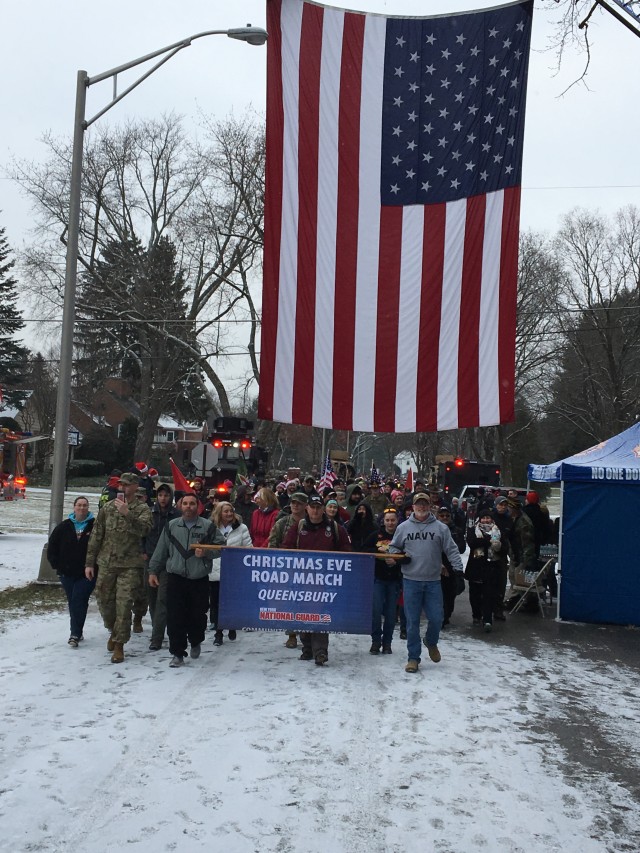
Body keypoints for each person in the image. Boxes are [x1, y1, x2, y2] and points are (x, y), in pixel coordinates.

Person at [389, 493, 464, 674]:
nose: (421, 507)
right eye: (418, 504)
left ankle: (431, 641)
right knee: (412, 622)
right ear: (413, 506)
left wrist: (458, 569)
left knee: (437, 618)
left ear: (430, 506)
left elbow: (452, 549)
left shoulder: (440, 528)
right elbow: (393, 547)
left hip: (433, 582)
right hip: (411, 581)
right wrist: (399, 558)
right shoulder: (403, 527)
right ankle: (413, 658)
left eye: (425, 504)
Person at [148, 493, 225, 667]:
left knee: (197, 616)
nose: (188, 507)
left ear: (197, 506)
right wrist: (153, 571)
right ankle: (177, 653)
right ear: (180, 506)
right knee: (175, 617)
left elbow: (222, 547)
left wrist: (206, 552)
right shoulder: (171, 526)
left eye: (192, 504)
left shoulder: (208, 527)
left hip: (198, 579)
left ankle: (196, 640)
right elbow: (160, 551)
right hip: (175, 578)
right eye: (185, 503)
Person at [85, 472, 153, 663]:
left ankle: (119, 644)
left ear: (135, 486)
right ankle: (113, 630)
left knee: (124, 605)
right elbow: (97, 535)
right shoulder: (107, 508)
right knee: (105, 602)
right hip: (106, 563)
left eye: (127, 484)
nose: (122, 488)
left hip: (130, 565)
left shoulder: (142, 509)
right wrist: (89, 563)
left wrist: (128, 514)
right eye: (121, 484)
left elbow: (145, 529)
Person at [282, 493, 352, 665]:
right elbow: (286, 547)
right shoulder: (298, 527)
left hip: (324, 580)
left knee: (320, 615)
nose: (315, 510)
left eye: (318, 507)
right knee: (303, 614)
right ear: (307, 508)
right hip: (301, 578)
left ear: (323, 509)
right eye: (312, 507)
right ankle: (307, 648)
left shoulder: (335, 528)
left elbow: (347, 549)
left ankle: (320, 651)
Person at [47, 496, 96, 647]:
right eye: (79, 505)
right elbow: (52, 548)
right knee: (74, 602)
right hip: (67, 573)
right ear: (74, 507)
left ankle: (74, 634)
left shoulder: (95, 526)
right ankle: (78, 630)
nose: (82, 508)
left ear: (88, 508)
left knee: (78, 599)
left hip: (87, 573)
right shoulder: (64, 527)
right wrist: (57, 565)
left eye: (85, 505)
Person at [210, 501, 252, 646]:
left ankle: (232, 625)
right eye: (225, 511)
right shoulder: (212, 528)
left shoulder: (241, 528)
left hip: (234, 571)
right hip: (215, 570)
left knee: (231, 602)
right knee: (215, 603)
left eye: (231, 511)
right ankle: (218, 632)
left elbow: (248, 547)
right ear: (219, 513)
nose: (228, 514)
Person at [143, 483, 180, 651]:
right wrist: (142, 550)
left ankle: (156, 637)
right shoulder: (149, 513)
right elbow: (141, 532)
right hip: (150, 559)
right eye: (160, 495)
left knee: (162, 598)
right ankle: (158, 625)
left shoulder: (176, 515)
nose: (163, 498)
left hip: (168, 560)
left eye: (166, 495)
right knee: (151, 597)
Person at [364, 507, 403, 654]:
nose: (390, 523)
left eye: (393, 520)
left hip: (394, 580)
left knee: (391, 614)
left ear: (397, 521)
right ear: (383, 521)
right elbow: (363, 550)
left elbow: (408, 555)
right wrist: (377, 553)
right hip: (378, 578)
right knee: (376, 611)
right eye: (387, 520)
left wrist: (397, 561)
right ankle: (376, 641)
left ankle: (387, 642)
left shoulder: (402, 535)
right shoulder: (376, 535)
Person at [466, 509, 502, 632]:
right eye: (483, 518)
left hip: (490, 567)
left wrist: (496, 545)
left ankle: (487, 619)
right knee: (474, 594)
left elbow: (501, 547)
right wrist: (488, 541)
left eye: (488, 518)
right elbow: (472, 543)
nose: (486, 520)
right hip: (475, 567)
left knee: (488, 595)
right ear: (479, 519)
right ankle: (476, 615)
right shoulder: (473, 530)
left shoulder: (496, 530)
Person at [436, 505, 466, 628]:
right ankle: (441, 616)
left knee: (450, 593)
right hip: (437, 564)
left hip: (452, 565)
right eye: (442, 516)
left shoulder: (457, 530)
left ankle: (447, 614)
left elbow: (462, 548)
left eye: (447, 516)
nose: (445, 518)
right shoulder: (435, 530)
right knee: (439, 593)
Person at [491, 496, 512, 620]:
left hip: (502, 556)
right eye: (500, 504)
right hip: (489, 554)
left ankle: (498, 609)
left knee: (501, 584)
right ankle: (486, 608)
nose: (503, 507)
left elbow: (511, 537)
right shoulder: (491, 517)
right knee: (489, 583)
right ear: (496, 505)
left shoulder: (509, 520)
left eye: (505, 505)